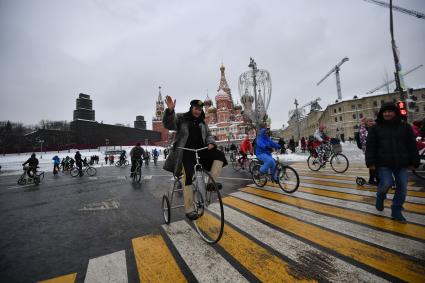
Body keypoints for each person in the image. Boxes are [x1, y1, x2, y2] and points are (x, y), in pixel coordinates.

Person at [162, 96, 227, 220]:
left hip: (201, 151)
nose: (198, 111)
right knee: (188, 176)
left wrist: (211, 142)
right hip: (185, 152)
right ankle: (189, 209)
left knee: (219, 155)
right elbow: (169, 124)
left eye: (200, 109)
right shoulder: (181, 118)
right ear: (191, 108)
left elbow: (208, 135)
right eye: (196, 108)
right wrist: (170, 111)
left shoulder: (202, 122)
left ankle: (210, 184)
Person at [366, 103, 419, 222]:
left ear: (395, 112)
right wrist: (370, 162)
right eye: (385, 112)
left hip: (402, 163)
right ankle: (380, 196)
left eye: (390, 111)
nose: (387, 114)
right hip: (383, 163)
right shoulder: (376, 128)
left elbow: (412, 145)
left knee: (402, 187)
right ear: (381, 113)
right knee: (386, 183)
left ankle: (396, 210)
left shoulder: (405, 127)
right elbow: (370, 146)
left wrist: (414, 161)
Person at [359, 117, 378, 185]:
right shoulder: (364, 130)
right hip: (368, 149)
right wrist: (362, 124)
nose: (371, 122)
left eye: (372, 121)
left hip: (376, 149)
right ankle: (374, 179)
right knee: (372, 164)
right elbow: (364, 140)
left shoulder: (376, 128)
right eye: (369, 121)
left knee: (375, 164)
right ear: (366, 123)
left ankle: (372, 179)